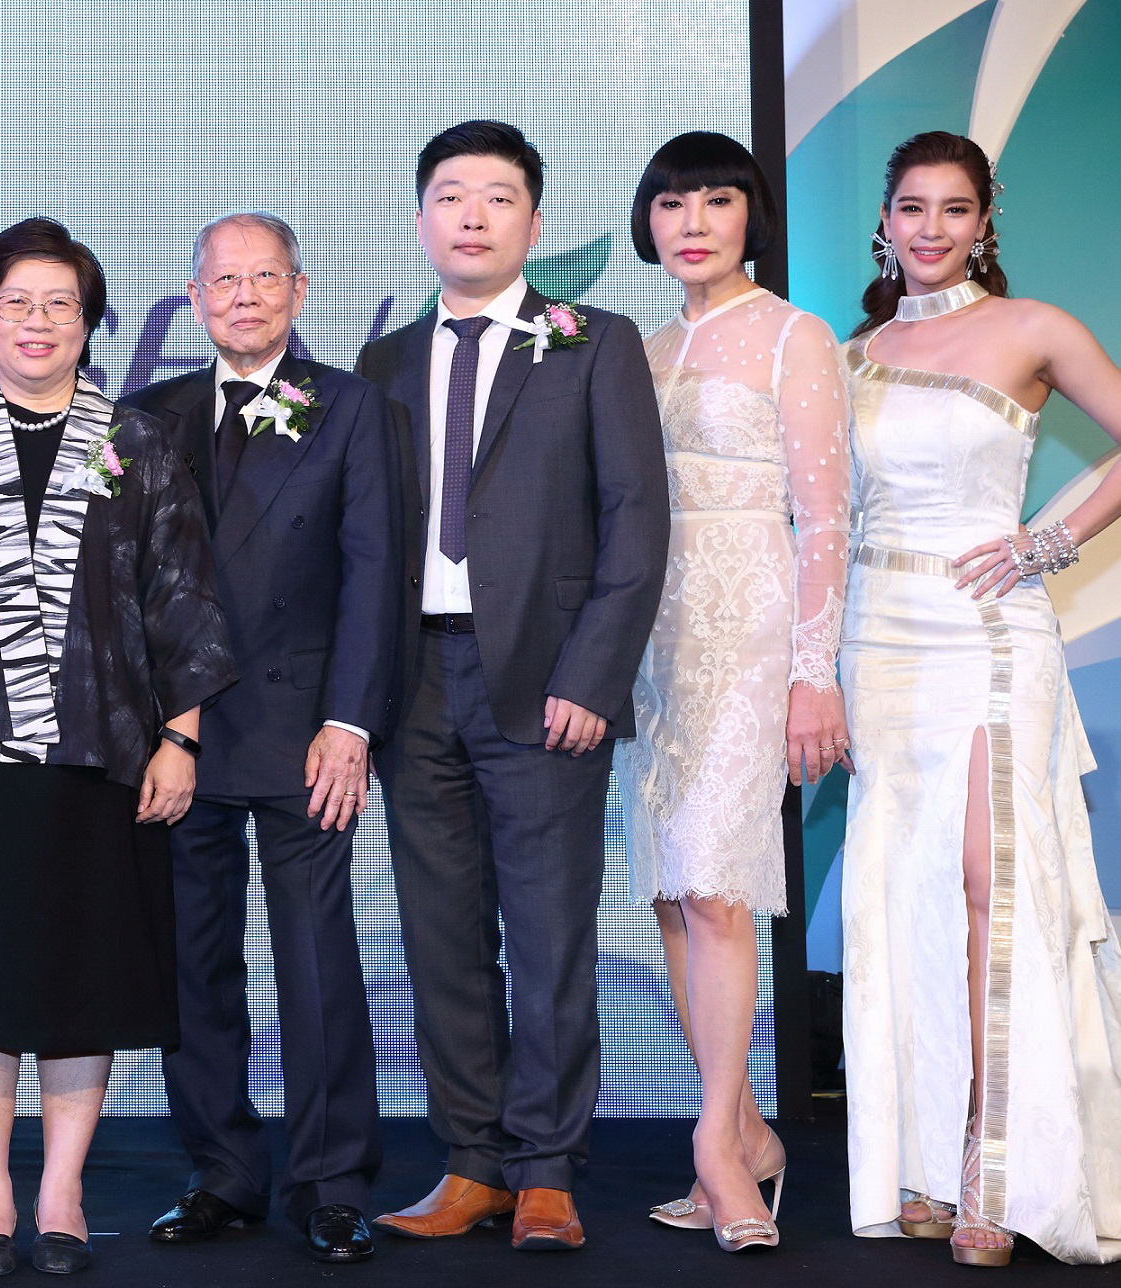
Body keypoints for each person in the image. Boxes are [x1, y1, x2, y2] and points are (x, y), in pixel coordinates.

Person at [0, 216, 236, 1278]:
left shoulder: (140, 445)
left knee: (84, 980)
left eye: (60, 303)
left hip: (103, 760)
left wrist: (180, 739)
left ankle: (62, 1191)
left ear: (88, 323)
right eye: (16, 303)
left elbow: (185, 604)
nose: (37, 321)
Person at [354, 120, 669, 1252]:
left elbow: (637, 520)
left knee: (547, 934)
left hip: (544, 682)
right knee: (439, 938)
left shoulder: (594, 341)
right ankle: (471, 1160)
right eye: (451, 196)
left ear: (533, 223)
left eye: (497, 197)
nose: (473, 215)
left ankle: (546, 1168)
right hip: (415, 685)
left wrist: (592, 674)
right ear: (421, 221)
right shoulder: (384, 362)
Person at [839, 129, 1121, 1268]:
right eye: (912, 208)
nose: (930, 229)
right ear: (884, 222)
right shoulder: (851, 355)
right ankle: (914, 1157)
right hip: (875, 640)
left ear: (983, 221)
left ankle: (990, 1167)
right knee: (898, 895)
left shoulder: (1033, 327)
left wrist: (1048, 541)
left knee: (984, 886)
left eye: (953, 210)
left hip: (986, 633)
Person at [121, 211, 399, 1264]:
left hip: (303, 730)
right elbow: (127, 586)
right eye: (224, 280)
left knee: (316, 962)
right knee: (191, 963)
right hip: (177, 736)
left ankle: (331, 1182)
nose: (244, 296)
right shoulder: (149, 414)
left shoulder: (352, 407)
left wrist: (349, 719)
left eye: (265, 277)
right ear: (193, 298)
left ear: (299, 290)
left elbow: (375, 571)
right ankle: (222, 1173)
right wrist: (152, 726)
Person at [615, 131, 851, 1253]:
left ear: (751, 214)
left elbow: (827, 518)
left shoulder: (797, 335)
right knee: (674, 892)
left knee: (715, 886)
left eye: (716, 200)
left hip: (750, 628)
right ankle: (746, 1132)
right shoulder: (643, 346)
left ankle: (713, 1146)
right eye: (671, 204)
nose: (693, 222)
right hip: (653, 644)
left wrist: (813, 673)